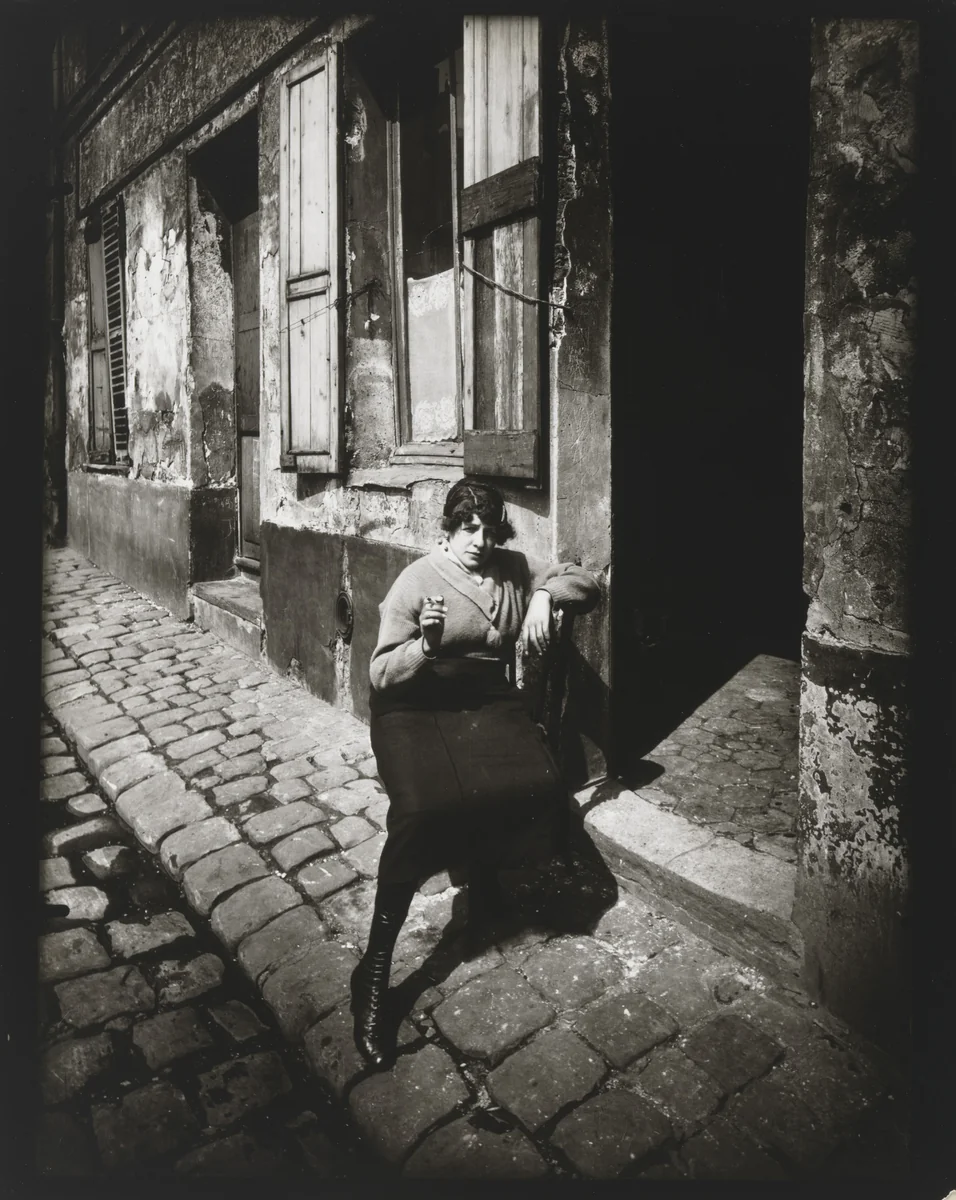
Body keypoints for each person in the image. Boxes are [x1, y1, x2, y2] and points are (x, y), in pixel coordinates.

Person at [350, 478, 601, 1067]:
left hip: (483, 700)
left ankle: (485, 885)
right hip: (414, 704)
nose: (479, 543)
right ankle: (375, 974)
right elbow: (380, 674)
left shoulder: (512, 567)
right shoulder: (415, 581)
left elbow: (588, 583)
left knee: (534, 783)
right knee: (421, 810)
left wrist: (547, 594)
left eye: (489, 531)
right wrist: (426, 647)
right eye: (468, 529)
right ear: (448, 528)